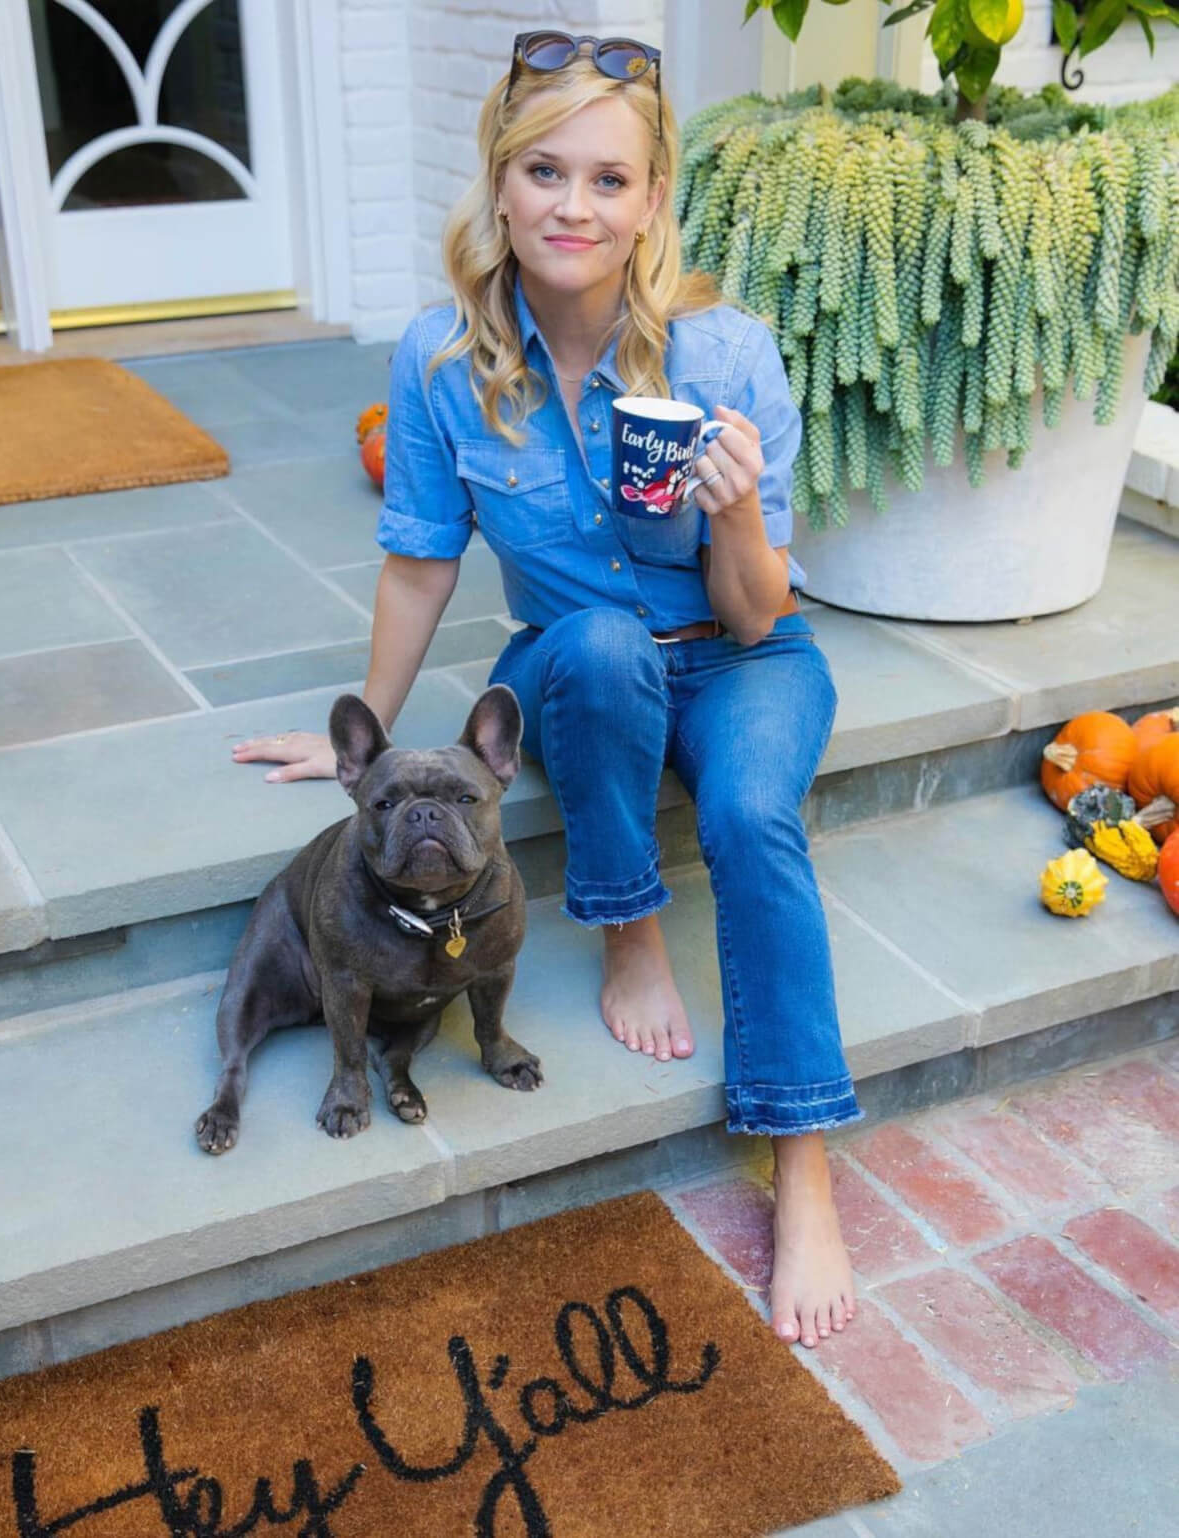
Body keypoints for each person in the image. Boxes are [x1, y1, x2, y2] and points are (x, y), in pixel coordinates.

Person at [233, 30, 862, 1349]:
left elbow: (761, 609)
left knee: (750, 817)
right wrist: (357, 749)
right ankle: (628, 930)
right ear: (499, 183)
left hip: (742, 653)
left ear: (648, 201)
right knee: (590, 643)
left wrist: (736, 514)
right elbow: (418, 565)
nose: (573, 206)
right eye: (544, 171)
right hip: (580, 663)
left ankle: (801, 1159)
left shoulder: (725, 355)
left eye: (608, 180)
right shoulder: (439, 362)